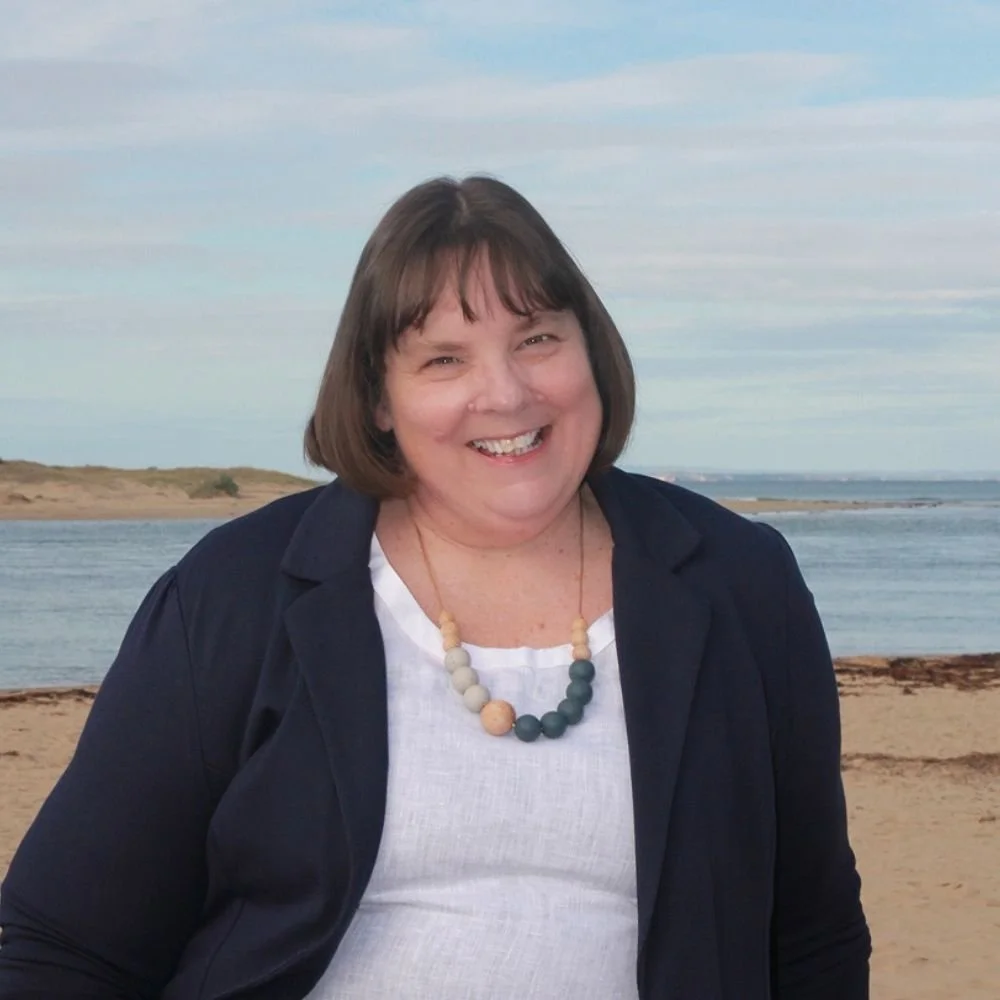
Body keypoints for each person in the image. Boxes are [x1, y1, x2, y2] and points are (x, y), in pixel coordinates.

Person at [0, 175, 871, 999]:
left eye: (537, 338)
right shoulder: (232, 598)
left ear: (591, 351)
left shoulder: (742, 586)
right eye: (444, 360)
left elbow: (812, 938)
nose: (505, 393)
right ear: (379, 398)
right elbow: (62, 943)